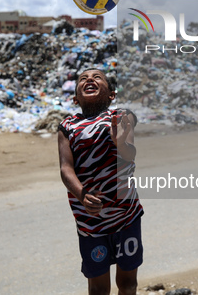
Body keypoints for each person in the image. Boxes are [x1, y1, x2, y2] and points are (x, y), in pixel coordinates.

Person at [58, 68, 143, 295]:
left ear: (111, 94)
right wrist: (82, 194)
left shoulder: (121, 117)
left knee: (127, 284)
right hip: (90, 222)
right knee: (98, 289)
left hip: (125, 215)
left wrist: (120, 143)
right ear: (76, 97)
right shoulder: (67, 126)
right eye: (83, 79)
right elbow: (66, 168)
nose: (89, 80)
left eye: (97, 77)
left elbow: (130, 155)